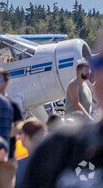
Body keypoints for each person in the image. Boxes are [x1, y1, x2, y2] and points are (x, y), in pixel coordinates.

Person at [19, 51, 103, 188]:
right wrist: (90, 120)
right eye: (87, 68)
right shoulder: (74, 85)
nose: (89, 71)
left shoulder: (86, 87)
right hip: (75, 125)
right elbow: (77, 104)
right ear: (79, 69)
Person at [0, 68, 24, 159]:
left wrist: (9, 134)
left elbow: (20, 124)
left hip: (8, 152)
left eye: (0, 80)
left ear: (6, 82)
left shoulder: (12, 105)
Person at [14, 119, 46, 187]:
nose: (20, 137)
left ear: (26, 136)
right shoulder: (54, 160)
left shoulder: (19, 166)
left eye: (21, 133)